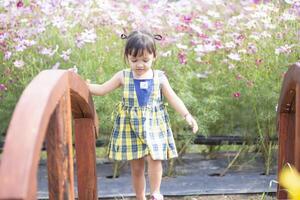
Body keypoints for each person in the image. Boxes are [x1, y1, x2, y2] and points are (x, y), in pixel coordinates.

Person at [87, 30, 198, 200]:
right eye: (134, 60)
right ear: (127, 57)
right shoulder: (123, 76)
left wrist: (187, 115)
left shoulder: (159, 77)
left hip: (154, 124)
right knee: (137, 167)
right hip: (130, 127)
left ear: (154, 56)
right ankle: (140, 197)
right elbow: (102, 89)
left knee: (155, 158)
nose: (140, 64)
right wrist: (84, 86)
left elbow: (173, 98)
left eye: (145, 60)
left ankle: (155, 192)